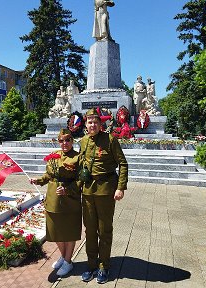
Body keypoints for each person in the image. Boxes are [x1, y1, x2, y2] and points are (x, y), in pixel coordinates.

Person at [79, 107, 128, 284]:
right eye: (89, 121)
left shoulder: (110, 140)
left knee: (104, 230)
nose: (92, 124)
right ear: (86, 124)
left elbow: (123, 163)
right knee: (90, 230)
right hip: (88, 191)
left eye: (95, 122)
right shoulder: (83, 141)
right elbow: (81, 166)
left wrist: (120, 187)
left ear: (101, 124)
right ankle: (91, 265)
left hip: (106, 190)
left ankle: (103, 266)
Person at [30, 129, 81, 277]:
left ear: (72, 141)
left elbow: (80, 180)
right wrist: (38, 180)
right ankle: (64, 257)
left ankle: (68, 261)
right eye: (61, 140)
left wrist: (68, 190)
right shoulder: (54, 156)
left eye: (67, 140)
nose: (64, 143)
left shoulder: (77, 158)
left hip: (70, 200)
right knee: (56, 231)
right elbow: (48, 175)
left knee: (69, 231)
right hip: (53, 199)